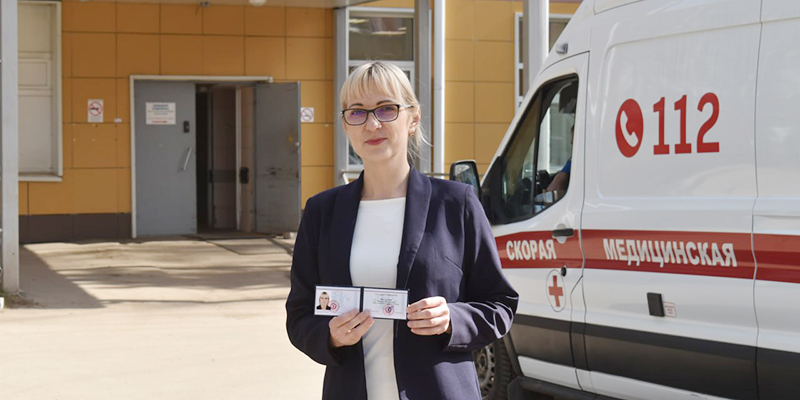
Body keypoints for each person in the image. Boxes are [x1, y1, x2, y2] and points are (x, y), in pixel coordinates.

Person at [285, 61, 518, 400]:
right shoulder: (322, 212)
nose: (372, 124)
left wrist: (452, 318)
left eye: (386, 109)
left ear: (413, 118)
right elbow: (300, 315)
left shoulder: (456, 204)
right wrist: (330, 335)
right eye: (358, 112)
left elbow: (499, 304)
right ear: (346, 125)